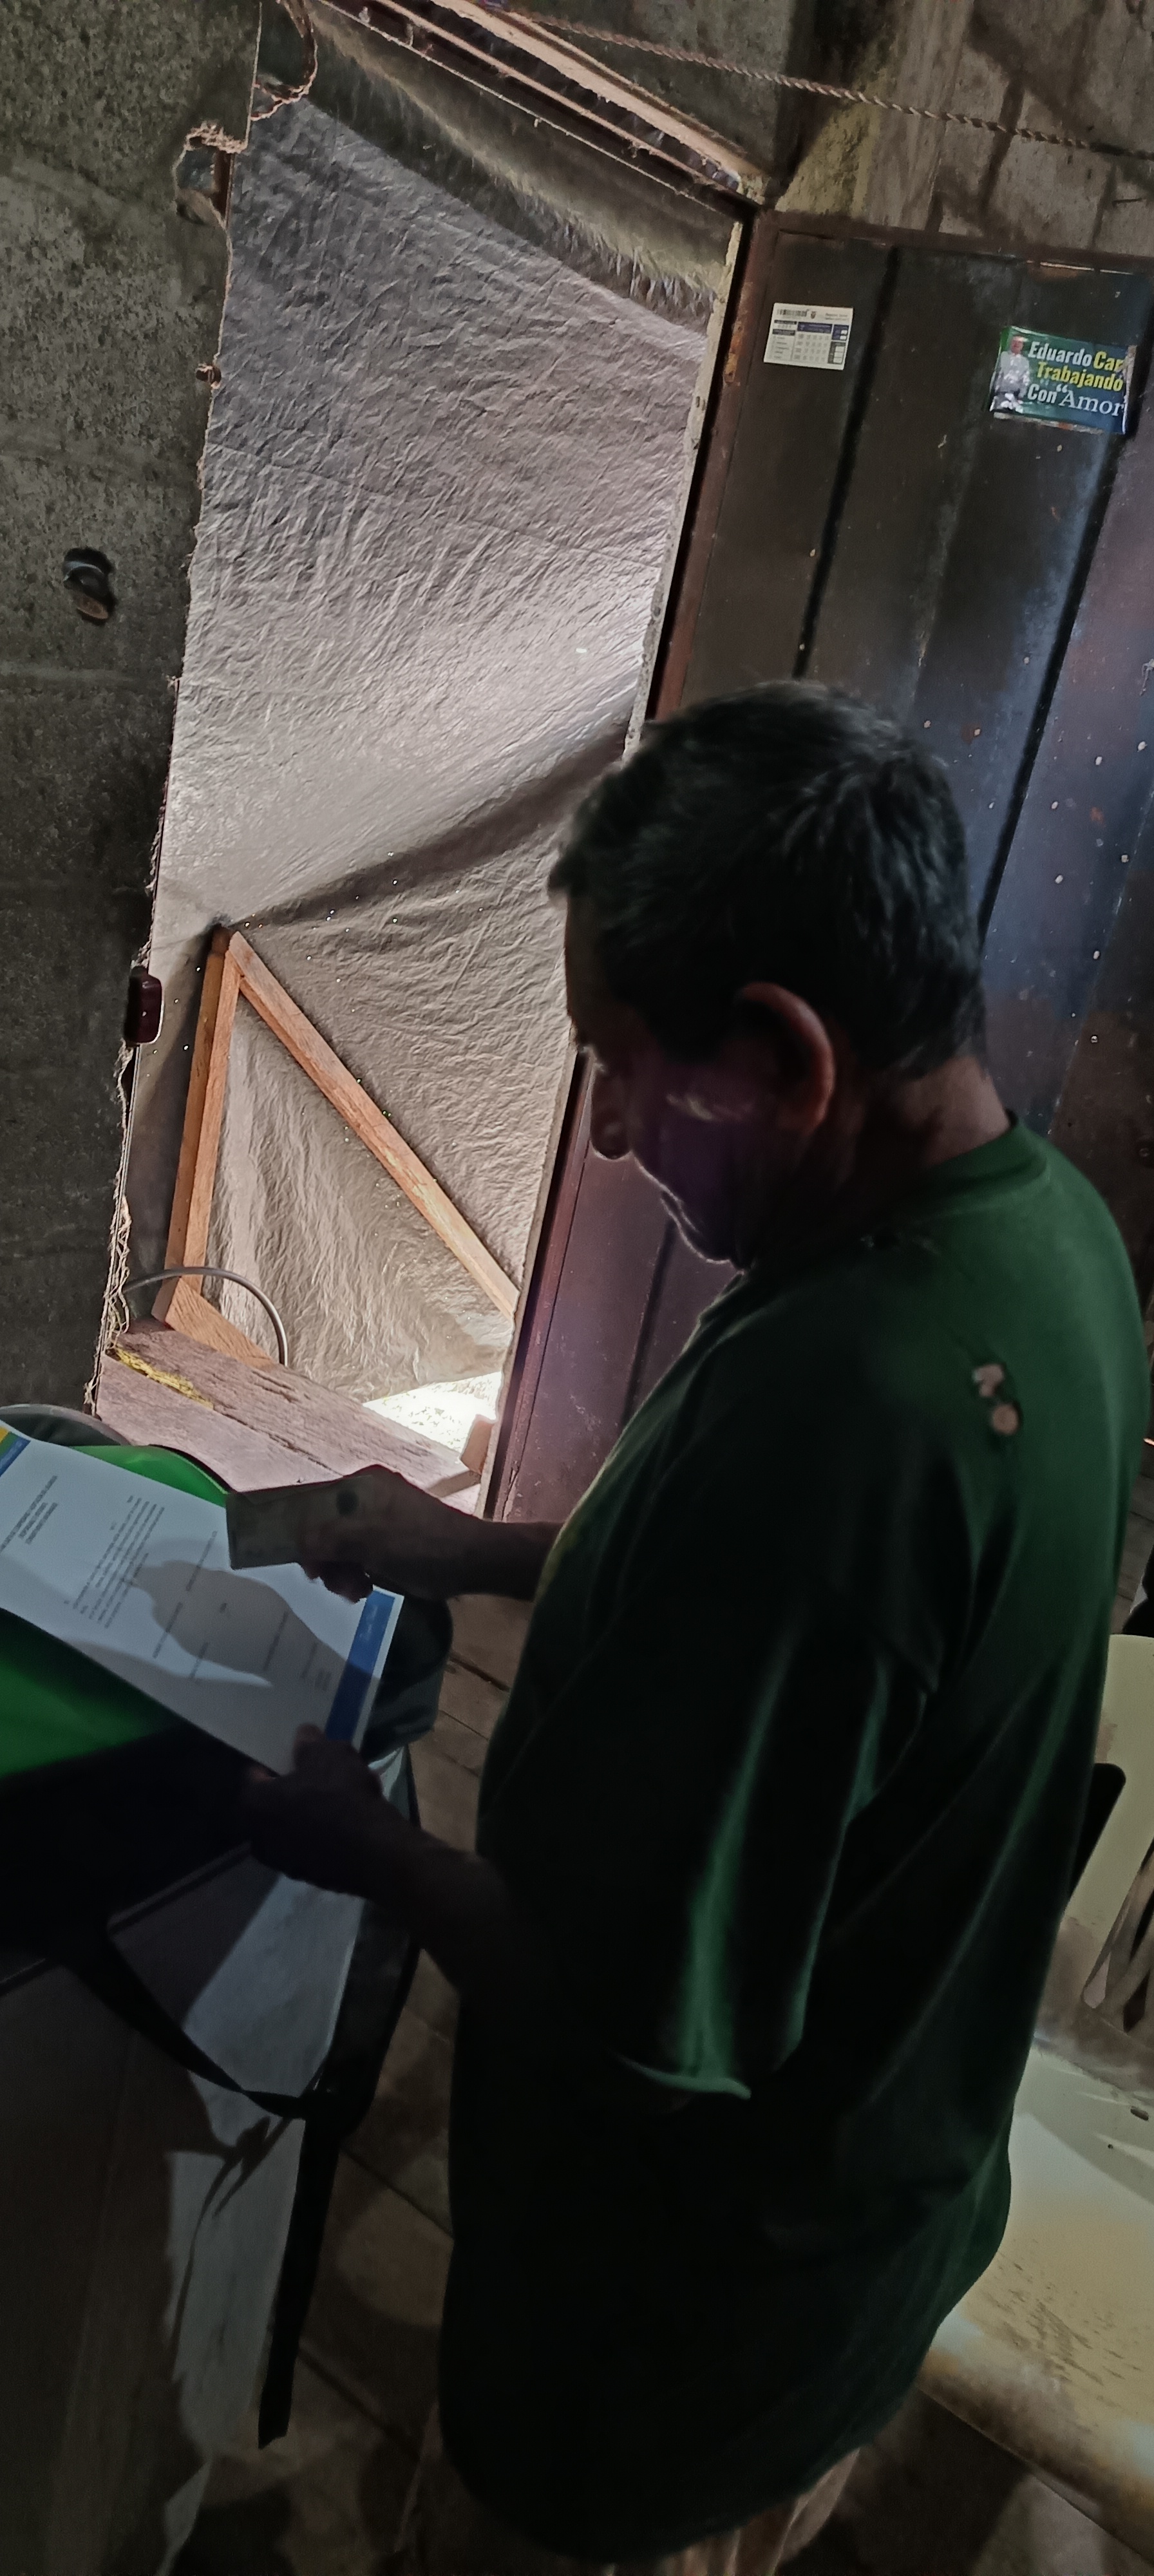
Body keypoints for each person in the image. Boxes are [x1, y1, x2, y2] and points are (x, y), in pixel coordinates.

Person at [243, 684, 1148, 2576]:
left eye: (629, 1067)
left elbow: (629, 2026)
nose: (607, 1131)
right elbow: (802, 1636)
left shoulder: (852, 1414)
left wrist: (369, 1849)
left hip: (666, 2330)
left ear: (794, 1059)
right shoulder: (1045, 1235)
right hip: (866, 2229)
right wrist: (475, 1553)